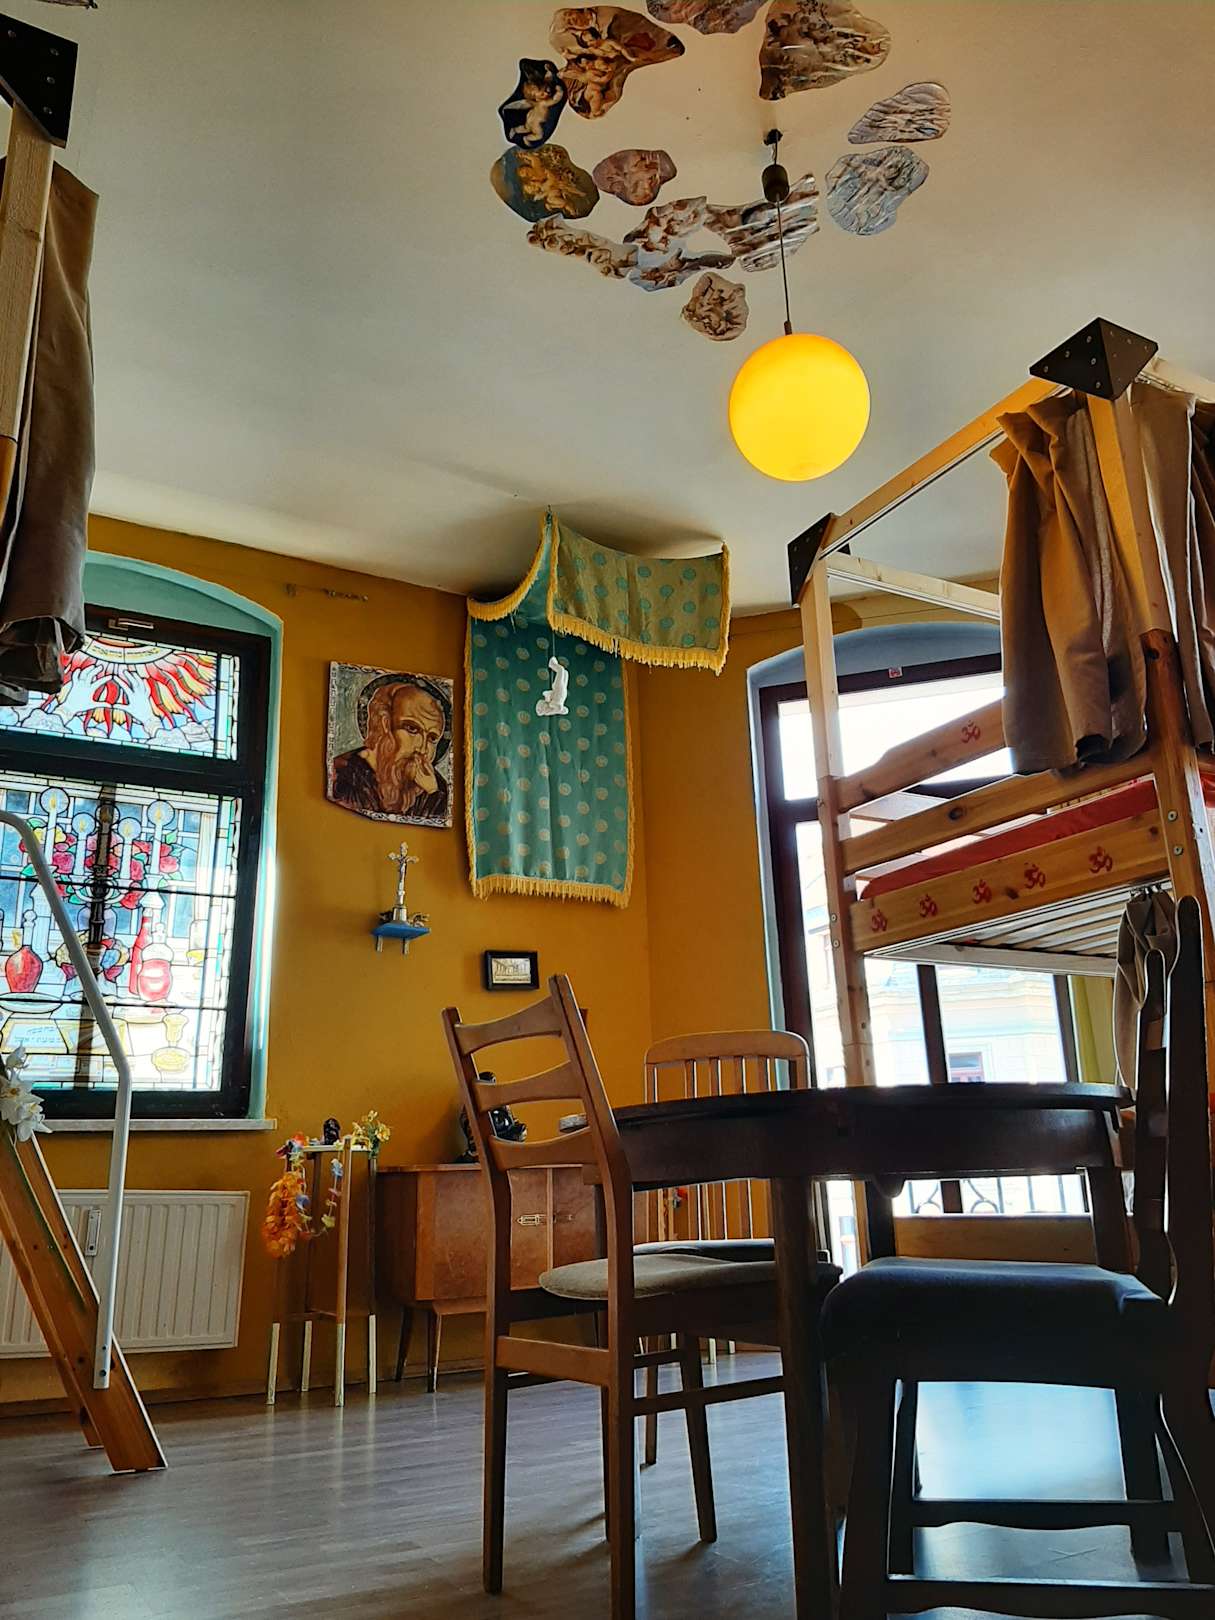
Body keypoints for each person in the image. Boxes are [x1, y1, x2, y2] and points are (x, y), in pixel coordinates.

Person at [329, 677, 450, 823]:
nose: (422, 749)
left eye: (432, 738)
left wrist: (433, 794)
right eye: (412, 729)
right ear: (385, 724)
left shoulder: (435, 787)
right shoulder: (342, 775)